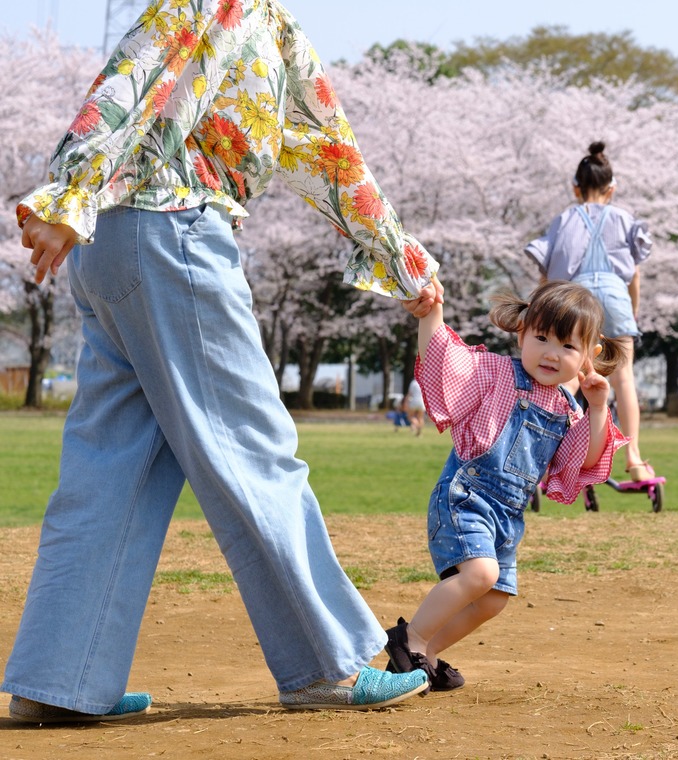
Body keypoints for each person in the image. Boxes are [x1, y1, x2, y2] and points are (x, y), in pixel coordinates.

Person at [6, 0, 436, 722]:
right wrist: (69, 189)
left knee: (111, 469)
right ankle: (325, 665)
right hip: (173, 232)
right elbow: (133, 77)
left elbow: (328, 151)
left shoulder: (273, 25)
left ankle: (58, 684)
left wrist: (399, 259)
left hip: (114, 241)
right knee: (251, 447)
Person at [385, 279, 627, 691]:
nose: (551, 353)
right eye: (541, 338)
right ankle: (410, 640)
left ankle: (428, 655)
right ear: (521, 333)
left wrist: (599, 406)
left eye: (568, 346)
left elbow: (584, 460)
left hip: (508, 515)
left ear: (590, 354)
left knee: (494, 599)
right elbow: (445, 363)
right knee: (480, 574)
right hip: (467, 496)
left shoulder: (569, 410)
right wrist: (431, 314)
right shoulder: (495, 373)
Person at [525, 141, 654, 482]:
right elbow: (634, 276)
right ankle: (635, 460)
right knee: (623, 378)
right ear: (612, 189)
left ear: (575, 188)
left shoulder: (564, 219)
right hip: (616, 298)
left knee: (568, 376)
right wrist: (631, 312)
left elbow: (547, 275)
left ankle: (544, 453)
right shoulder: (624, 219)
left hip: (577, 299)